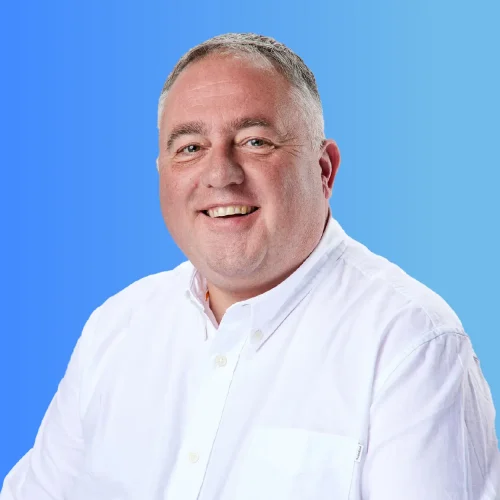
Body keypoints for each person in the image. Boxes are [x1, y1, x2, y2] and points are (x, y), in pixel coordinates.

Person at [1, 33, 499, 500]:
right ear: (161, 174)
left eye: (255, 141)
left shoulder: (410, 343)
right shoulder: (117, 327)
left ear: (323, 170)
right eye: (190, 148)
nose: (220, 173)